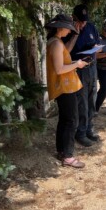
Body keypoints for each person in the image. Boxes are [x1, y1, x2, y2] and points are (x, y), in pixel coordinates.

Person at [45, 14, 88, 168]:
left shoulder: (56, 42)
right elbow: (59, 69)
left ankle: (62, 151)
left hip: (63, 87)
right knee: (71, 121)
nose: (69, 31)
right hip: (65, 87)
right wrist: (77, 64)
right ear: (61, 28)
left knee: (64, 120)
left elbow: (66, 52)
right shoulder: (56, 44)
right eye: (68, 29)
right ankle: (68, 156)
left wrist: (75, 36)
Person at [64, 4, 101, 147]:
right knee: (82, 102)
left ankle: (89, 128)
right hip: (78, 70)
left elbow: (97, 43)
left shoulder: (91, 27)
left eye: (85, 21)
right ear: (74, 18)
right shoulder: (69, 31)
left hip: (92, 67)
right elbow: (66, 52)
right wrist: (76, 34)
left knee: (92, 98)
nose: (83, 24)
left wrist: (95, 48)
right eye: (81, 21)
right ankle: (81, 132)